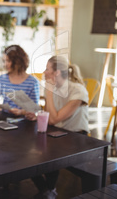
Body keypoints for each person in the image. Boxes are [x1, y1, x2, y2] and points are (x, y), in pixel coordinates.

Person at [26, 55, 89, 199]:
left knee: (47, 152)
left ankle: (49, 190)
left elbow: (54, 119)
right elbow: (50, 115)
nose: (44, 72)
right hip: (58, 133)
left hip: (76, 137)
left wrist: (48, 90)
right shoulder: (53, 88)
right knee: (26, 154)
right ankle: (47, 190)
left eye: (47, 69)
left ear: (57, 73)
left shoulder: (78, 90)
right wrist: (37, 116)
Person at [0, 45, 39, 116]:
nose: (5, 64)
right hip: (4, 120)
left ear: (18, 61)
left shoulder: (32, 82)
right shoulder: (2, 79)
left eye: (8, 61)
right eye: (4, 61)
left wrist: (21, 112)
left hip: (24, 121)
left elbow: (34, 109)